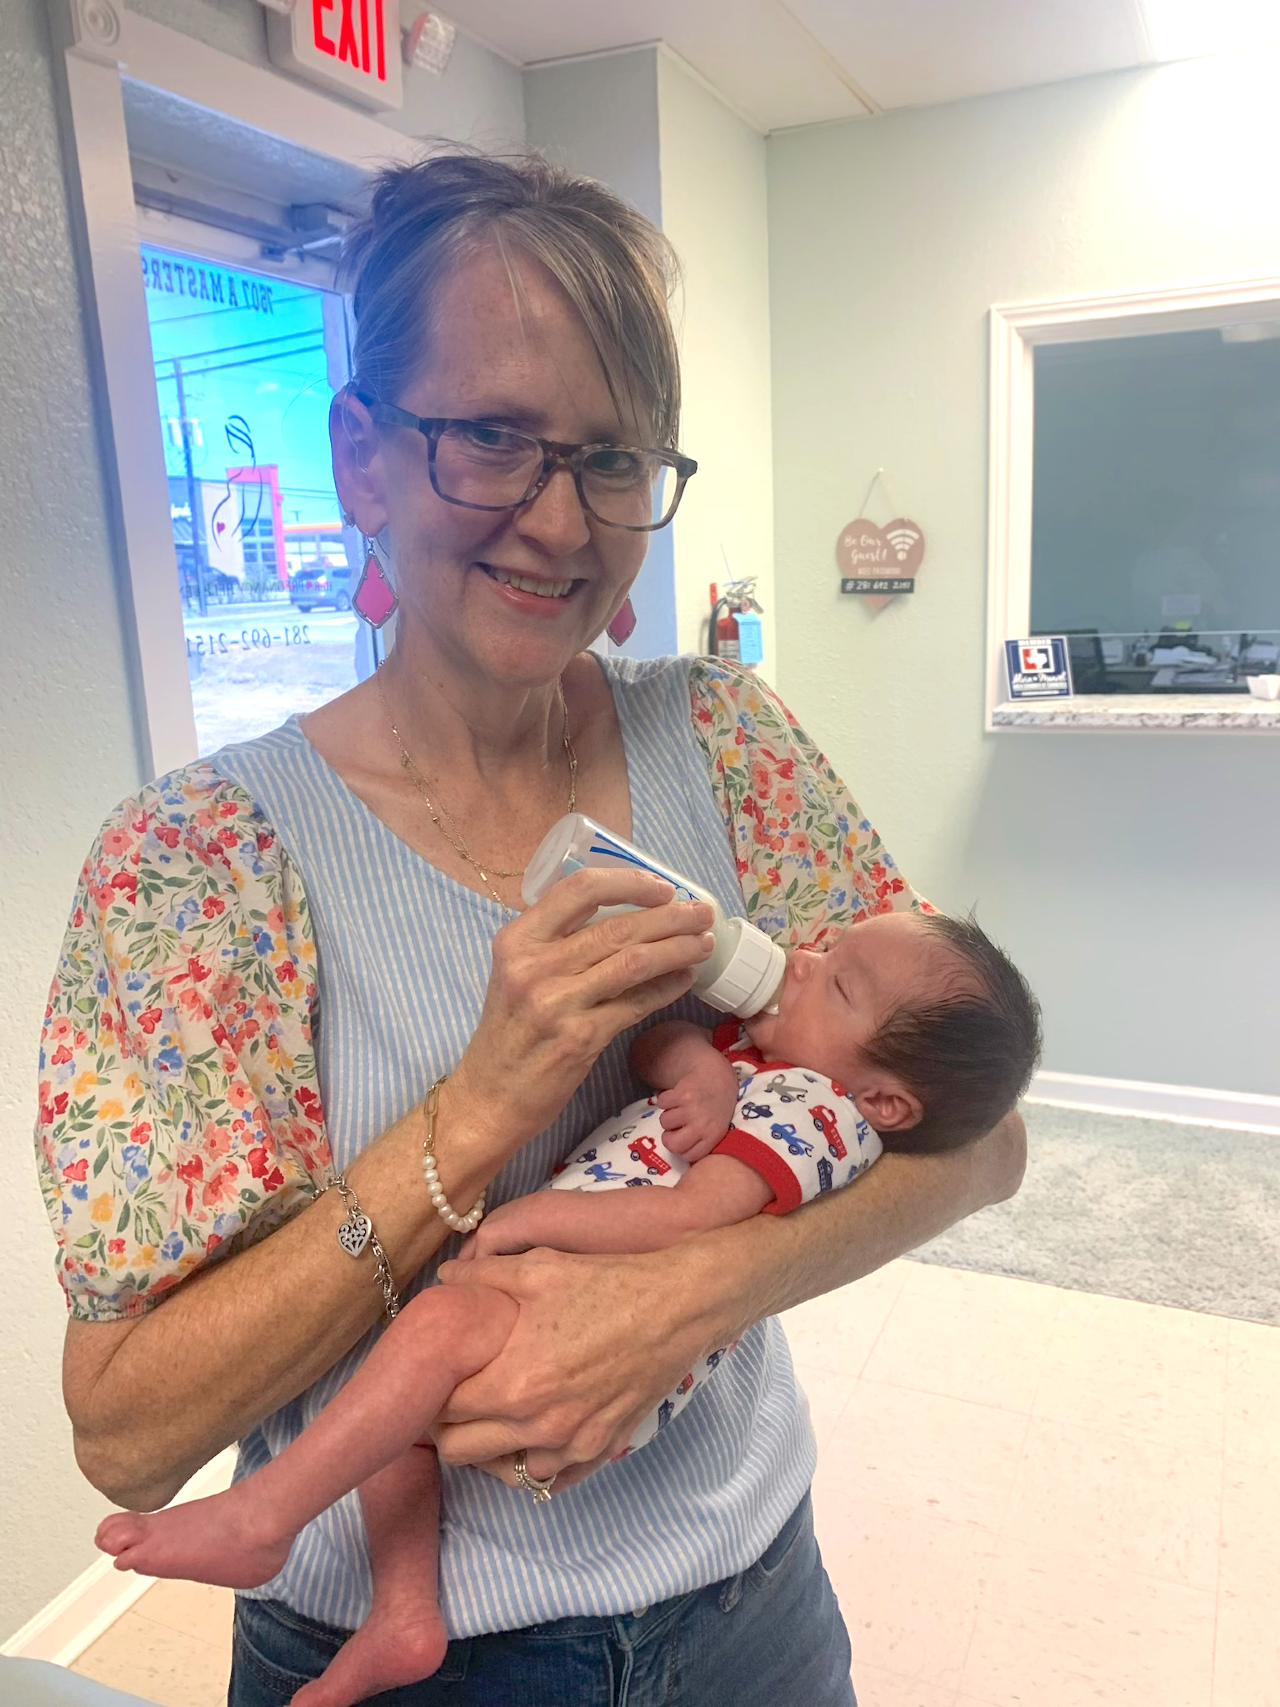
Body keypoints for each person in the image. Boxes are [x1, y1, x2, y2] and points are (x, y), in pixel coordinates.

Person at [37, 151, 1026, 1707]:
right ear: (360, 456)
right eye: (493, 438)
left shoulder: (732, 745)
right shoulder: (197, 865)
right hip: (400, 1657)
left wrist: (687, 1294)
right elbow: (130, 1427)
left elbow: (981, 1136)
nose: (562, 521)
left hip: (753, 1599)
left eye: (617, 458)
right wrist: (476, 1111)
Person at [94, 908, 1040, 1707]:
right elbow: (655, 1044)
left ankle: (264, 1517)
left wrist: (529, 1215)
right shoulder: (764, 1052)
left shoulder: (821, 1116)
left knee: (423, 1336)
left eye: (840, 982)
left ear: (886, 1099)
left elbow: (688, 1215)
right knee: (393, 1415)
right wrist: (699, 1069)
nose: (807, 956)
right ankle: (405, 1612)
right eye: (829, 943)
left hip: (608, 1339)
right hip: (559, 1292)